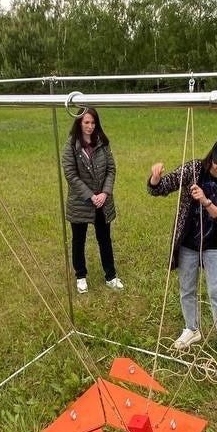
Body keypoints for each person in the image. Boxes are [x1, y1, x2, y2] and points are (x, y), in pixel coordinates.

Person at [148, 134, 217, 359]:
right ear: (212, 155)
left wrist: (206, 201)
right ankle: (191, 329)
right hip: (187, 243)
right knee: (187, 289)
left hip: (214, 245)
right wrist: (156, 178)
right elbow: (161, 188)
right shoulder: (194, 168)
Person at [61, 107, 124, 293]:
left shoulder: (103, 143)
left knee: (104, 239)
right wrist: (91, 195)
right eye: (86, 122)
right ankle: (81, 276)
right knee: (78, 240)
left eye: (93, 122)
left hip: (102, 202)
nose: (90, 126)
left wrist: (105, 193)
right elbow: (71, 175)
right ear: (79, 123)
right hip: (81, 202)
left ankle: (111, 276)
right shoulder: (71, 145)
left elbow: (111, 170)